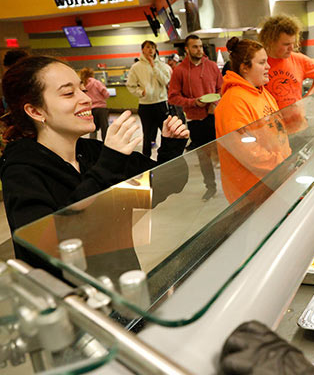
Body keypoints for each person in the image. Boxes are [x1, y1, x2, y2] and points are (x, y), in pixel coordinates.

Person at [0, 55, 189, 273]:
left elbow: (164, 186)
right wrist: (108, 166)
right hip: (77, 299)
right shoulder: (21, 172)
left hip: (124, 284)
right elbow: (52, 247)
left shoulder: (93, 152)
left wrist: (171, 146)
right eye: (69, 93)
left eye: (82, 89)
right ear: (35, 111)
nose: (87, 99)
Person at [215, 37, 291, 203]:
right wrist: (283, 164)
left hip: (276, 179)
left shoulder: (263, 92)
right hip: (251, 193)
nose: (268, 67)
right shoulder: (233, 103)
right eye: (262, 62)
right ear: (245, 68)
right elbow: (248, 152)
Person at [169, 34, 223, 201]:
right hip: (195, 120)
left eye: (200, 46)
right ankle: (211, 187)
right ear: (187, 49)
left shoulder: (212, 66)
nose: (199, 50)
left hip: (215, 116)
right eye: (195, 47)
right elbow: (173, 97)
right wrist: (194, 102)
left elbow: (222, 88)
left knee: (224, 151)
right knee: (204, 157)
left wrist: (215, 103)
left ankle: (232, 183)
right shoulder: (180, 71)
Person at [258, 14, 314, 109]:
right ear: (271, 41)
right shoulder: (259, 62)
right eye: (286, 44)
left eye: (293, 43)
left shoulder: (298, 59)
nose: (291, 48)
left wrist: (309, 96)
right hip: (271, 120)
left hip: (297, 119)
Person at [126, 40, 172, 156]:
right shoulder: (136, 67)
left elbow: (166, 81)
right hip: (145, 105)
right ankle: (146, 159)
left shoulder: (162, 66)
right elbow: (130, 85)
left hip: (161, 103)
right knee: (147, 134)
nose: (150, 49)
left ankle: (168, 155)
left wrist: (154, 67)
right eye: (147, 47)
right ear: (142, 49)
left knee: (166, 132)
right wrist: (141, 92)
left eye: (152, 47)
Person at [79, 67, 110, 141]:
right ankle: (106, 143)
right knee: (104, 127)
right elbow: (105, 93)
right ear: (91, 74)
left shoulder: (82, 85)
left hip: (90, 109)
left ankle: (93, 142)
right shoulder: (96, 82)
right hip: (101, 108)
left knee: (93, 128)